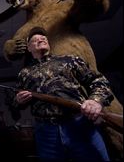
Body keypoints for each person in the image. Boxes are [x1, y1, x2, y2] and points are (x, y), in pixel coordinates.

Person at [15, 27, 114, 161]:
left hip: (79, 125)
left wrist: (95, 100)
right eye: (35, 39)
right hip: (46, 133)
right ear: (28, 48)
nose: (41, 38)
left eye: (43, 37)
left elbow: (98, 80)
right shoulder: (24, 73)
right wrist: (19, 101)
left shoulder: (70, 60)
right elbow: (14, 103)